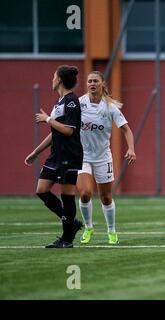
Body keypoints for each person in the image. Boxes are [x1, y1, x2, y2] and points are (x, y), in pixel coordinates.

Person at [25, 65, 83, 248]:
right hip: (55, 155)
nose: (52, 79)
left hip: (69, 155)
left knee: (67, 197)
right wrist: (36, 152)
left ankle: (67, 239)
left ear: (59, 80)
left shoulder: (72, 101)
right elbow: (55, 133)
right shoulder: (60, 102)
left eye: (53, 77)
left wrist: (48, 119)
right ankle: (71, 224)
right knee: (41, 190)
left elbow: (68, 130)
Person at [77, 71, 136, 245]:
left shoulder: (110, 107)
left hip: (103, 157)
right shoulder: (79, 104)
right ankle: (88, 227)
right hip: (82, 157)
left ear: (102, 83)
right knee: (85, 193)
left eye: (95, 81)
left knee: (106, 198)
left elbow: (126, 129)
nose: (92, 84)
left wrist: (131, 148)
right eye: (89, 81)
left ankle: (112, 230)